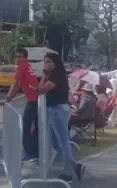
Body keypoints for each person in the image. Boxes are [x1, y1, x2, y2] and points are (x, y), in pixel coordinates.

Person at [38, 52, 84, 182]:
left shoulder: (56, 76)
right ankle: (76, 166)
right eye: (45, 62)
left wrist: (43, 77)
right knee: (55, 144)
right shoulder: (54, 75)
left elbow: (40, 90)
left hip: (58, 111)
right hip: (56, 111)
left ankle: (67, 173)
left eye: (49, 62)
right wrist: (45, 76)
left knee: (63, 143)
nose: (46, 64)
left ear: (56, 63)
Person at [0, 48, 41, 162]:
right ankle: (36, 153)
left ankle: (31, 155)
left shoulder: (22, 67)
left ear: (25, 58)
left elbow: (16, 85)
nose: (17, 59)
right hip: (38, 100)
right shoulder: (28, 66)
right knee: (35, 128)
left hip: (33, 101)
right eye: (16, 56)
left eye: (20, 56)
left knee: (25, 128)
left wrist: (7, 99)